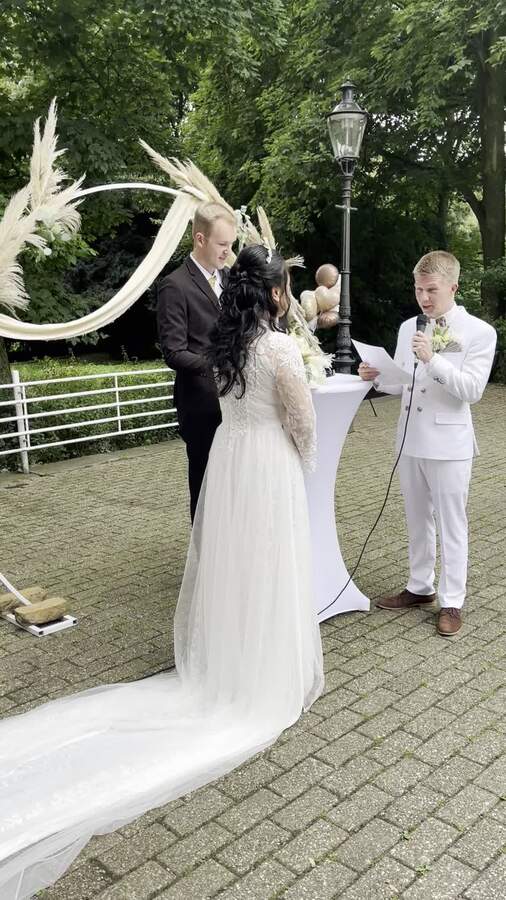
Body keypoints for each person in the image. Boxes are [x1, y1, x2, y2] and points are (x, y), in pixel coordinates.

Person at [0, 245, 323, 899]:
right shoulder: (278, 349)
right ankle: (263, 674)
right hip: (266, 466)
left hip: (230, 462)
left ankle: (229, 660)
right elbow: (301, 421)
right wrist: (305, 466)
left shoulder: (227, 347)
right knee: (268, 567)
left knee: (236, 566)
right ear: (275, 294)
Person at [359, 250, 497, 636]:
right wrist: (375, 376)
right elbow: (403, 380)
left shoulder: (479, 332)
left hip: (450, 443)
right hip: (410, 439)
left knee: (452, 523)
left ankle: (452, 600)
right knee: (417, 518)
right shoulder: (409, 327)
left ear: (453, 287)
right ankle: (420, 587)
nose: (423, 297)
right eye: (418, 289)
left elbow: (471, 390)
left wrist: (434, 359)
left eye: (431, 290)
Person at [157, 201, 237, 521]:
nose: (228, 251)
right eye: (222, 244)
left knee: (234, 485)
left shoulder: (230, 278)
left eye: (231, 244)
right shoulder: (174, 285)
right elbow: (174, 352)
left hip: (238, 402)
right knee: (205, 487)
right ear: (200, 239)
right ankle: (203, 551)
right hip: (201, 405)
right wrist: (218, 365)